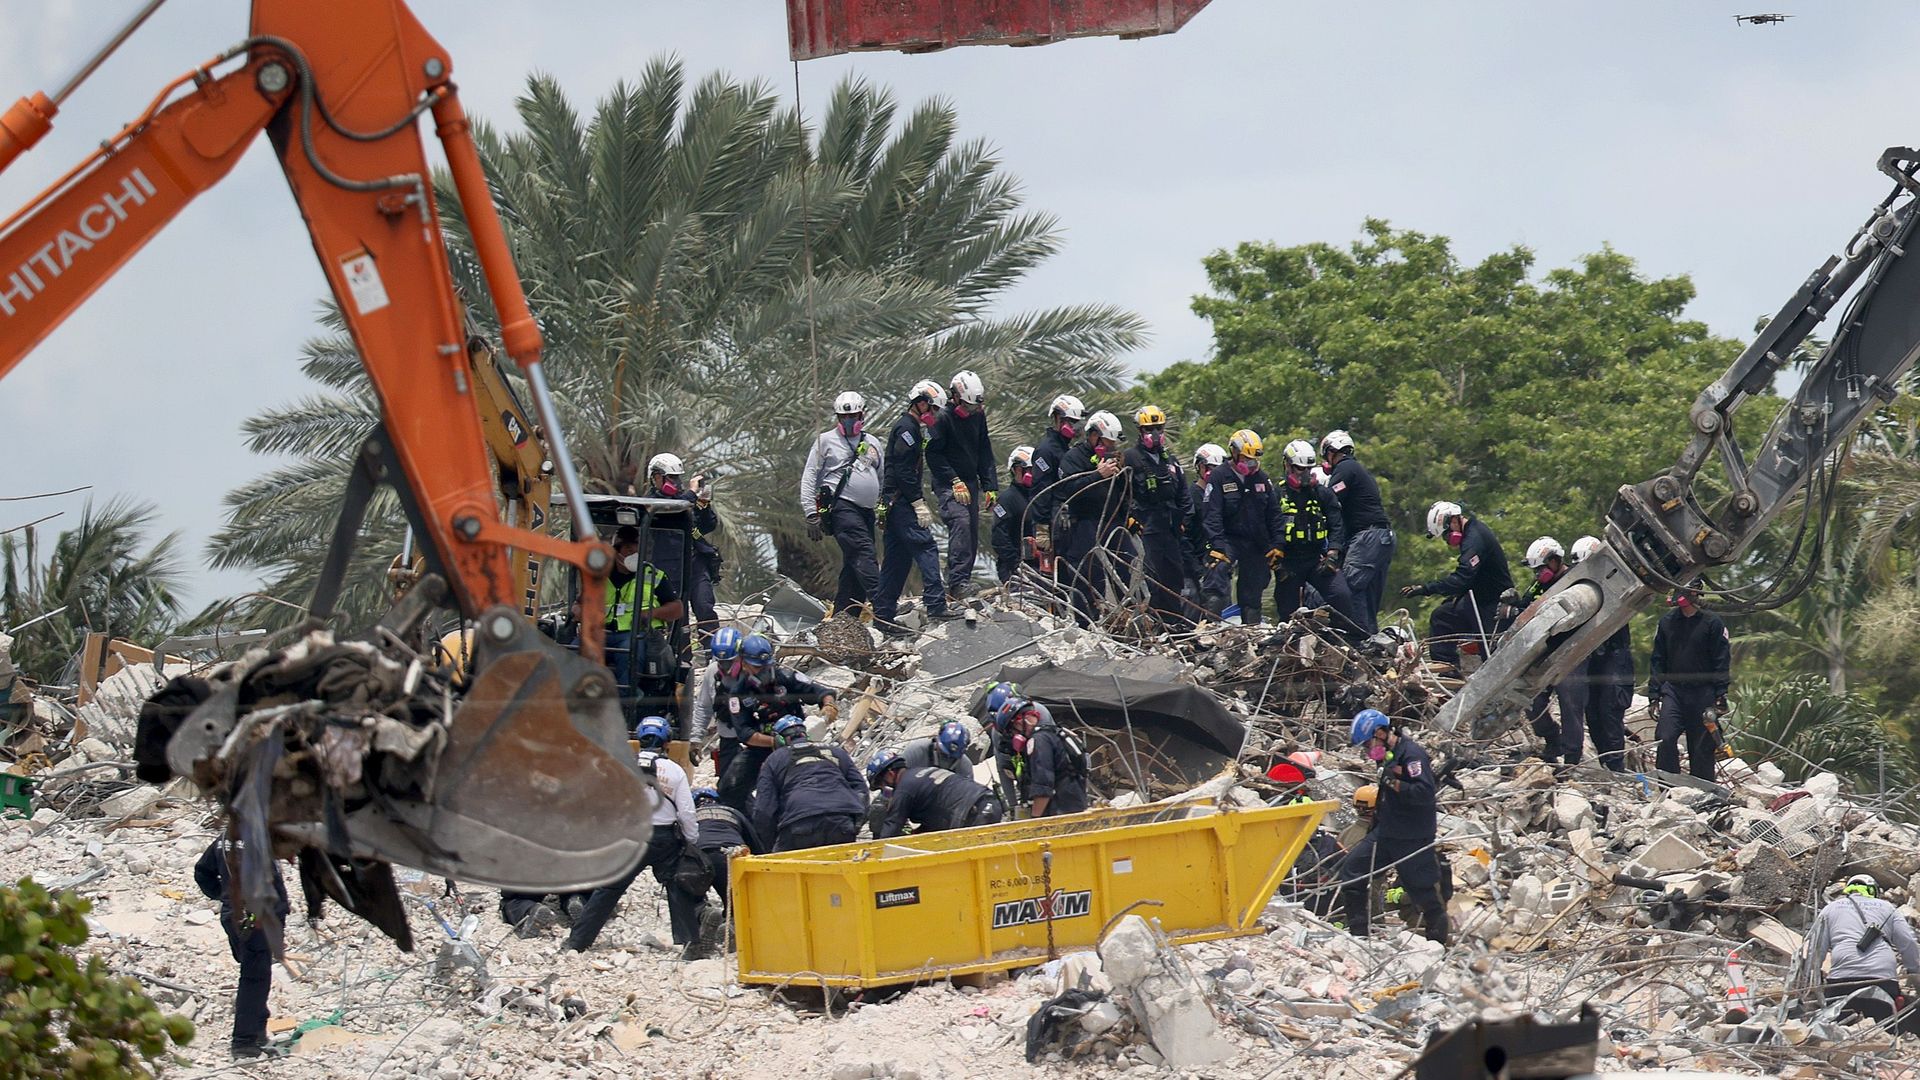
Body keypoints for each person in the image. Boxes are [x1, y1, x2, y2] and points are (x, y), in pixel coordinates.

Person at [565, 724, 701, 952]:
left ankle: (578, 942)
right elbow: (687, 812)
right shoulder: (675, 771)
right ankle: (689, 945)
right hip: (664, 839)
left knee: (608, 890)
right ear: (667, 743)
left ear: (638, 740)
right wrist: (691, 839)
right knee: (678, 886)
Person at [692, 632, 839, 810]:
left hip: (799, 742)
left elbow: (819, 691)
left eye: (765, 666)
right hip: (763, 747)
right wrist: (774, 742)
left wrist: (829, 705)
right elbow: (745, 733)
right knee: (729, 788)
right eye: (757, 668)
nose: (762, 671)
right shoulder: (738, 694)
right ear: (744, 663)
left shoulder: (784, 677)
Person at [1338, 709, 1448, 945]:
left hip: (1412, 836)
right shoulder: (1387, 755)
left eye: (1369, 743)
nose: (1368, 751)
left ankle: (1437, 943)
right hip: (1386, 832)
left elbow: (1424, 793)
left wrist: (1393, 781)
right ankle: (1359, 936)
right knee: (1352, 872)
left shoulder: (1412, 755)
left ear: (1381, 732)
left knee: (1421, 890)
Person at [194, 837, 289, 1059]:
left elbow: (202, 872)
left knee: (257, 973)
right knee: (254, 978)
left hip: (235, 916)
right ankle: (244, 1042)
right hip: (255, 918)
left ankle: (256, 1031)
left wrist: (224, 896)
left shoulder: (224, 840)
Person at [877, 379, 956, 628]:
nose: (934, 415)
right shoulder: (907, 429)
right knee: (926, 548)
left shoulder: (911, 428)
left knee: (896, 561)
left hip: (894, 503)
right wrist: (917, 503)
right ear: (921, 404)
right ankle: (936, 604)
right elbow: (902, 471)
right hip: (901, 503)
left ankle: (882, 616)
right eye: (932, 409)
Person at [800, 390, 887, 620]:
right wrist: (810, 513)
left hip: (866, 512)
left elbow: (881, 477)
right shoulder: (826, 441)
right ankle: (884, 604)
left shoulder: (872, 443)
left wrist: (882, 509)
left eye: (853, 417)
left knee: (853, 566)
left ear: (862, 415)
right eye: (843, 418)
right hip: (842, 509)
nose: (848, 422)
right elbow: (810, 476)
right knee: (864, 553)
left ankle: (845, 617)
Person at [1268, 438, 1363, 636]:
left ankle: (1347, 638)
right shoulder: (1276, 494)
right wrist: (1276, 562)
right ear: (1287, 465)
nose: (1304, 474)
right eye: (1299, 469)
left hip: (1317, 560)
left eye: (1308, 469)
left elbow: (1337, 524)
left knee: (1341, 595)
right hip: (1289, 562)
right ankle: (1287, 645)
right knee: (1287, 609)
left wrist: (1333, 552)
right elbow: (1267, 526)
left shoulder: (1323, 494)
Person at [1045, 411, 1132, 623]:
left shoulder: (1113, 459)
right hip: (1084, 524)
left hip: (1112, 523)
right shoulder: (1073, 458)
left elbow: (1125, 493)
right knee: (1089, 576)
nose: (1110, 448)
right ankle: (1087, 623)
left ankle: (1129, 617)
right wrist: (1097, 475)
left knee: (1125, 568)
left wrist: (1121, 475)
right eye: (1107, 443)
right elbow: (1068, 490)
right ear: (1094, 436)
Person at [1401, 501, 1511, 668]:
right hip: (1475, 601)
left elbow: (1461, 579)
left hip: (1493, 605)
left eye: (1446, 534)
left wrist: (1426, 589)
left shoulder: (1475, 538)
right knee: (1442, 617)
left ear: (1453, 521)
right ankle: (1447, 669)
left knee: (1491, 656)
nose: (1447, 540)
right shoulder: (1469, 535)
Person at [1805, 875, 1920, 1030]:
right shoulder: (1887, 908)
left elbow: (1815, 950)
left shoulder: (1830, 909)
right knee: (1886, 1028)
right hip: (1883, 981)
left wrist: (1812, 982)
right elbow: (1908, 942)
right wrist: (1914, 973)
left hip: (1842, 982)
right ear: (1873, 891)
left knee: (1840, 1029)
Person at [926, 369, 998, 605]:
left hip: (970, 482)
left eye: (974, 407)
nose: (970, 411)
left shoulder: (978, 417)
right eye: (967, 406)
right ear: (955, 397)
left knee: (972, 529)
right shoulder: (942, 419)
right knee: (960, 521)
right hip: (949, 484)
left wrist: (990, 486)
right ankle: (956, 581)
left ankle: (963, 580)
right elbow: (934, 456)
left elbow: (985, 450)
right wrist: (954, 480)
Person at [1201, 429, 1285, 624]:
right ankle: (1210, 627)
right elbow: (1211, 513)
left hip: (1255, 542)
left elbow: (1274, 515)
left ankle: (1251, 631)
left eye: (1254, 460)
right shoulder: (1219, 476)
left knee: (1253, 590)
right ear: (1234, 453)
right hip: (1228, 540)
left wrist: (1278, 545)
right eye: (1247, 459)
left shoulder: (1262, 479)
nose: (1251, 464)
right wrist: (1217, 545)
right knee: (1217, 573)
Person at [1648, 586, 1731, 781]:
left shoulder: (1712, 622)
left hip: (1703, 692)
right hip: (1673, 691)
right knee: (1665, 737)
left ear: (1694, 593)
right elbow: (1658, 659)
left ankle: (1702, 791)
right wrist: (1654, 694)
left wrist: (1720, 693)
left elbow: (1722, 659)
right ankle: (1668, 788)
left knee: (1701, 744)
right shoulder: (1667, 622)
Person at [1518, 537, 1588, 766]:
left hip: (1573, 651)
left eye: (1541, 569)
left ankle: (1571, 759)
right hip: (1546, 652)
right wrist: (1513, 605)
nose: (1538, 574)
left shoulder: (1576, 580)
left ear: (1555, 561)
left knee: (1570, 704)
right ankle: (1551, 738)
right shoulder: (1539, 585)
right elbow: (1527, 606)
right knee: (1532, 699)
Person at [752, 715, 870, 851]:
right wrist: (856, 822)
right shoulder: (836, 752)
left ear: (779, 739)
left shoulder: (774, 760)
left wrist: (768, 847)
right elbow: (861, 790)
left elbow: (763, 810)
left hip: (800, 824)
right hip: (842, 821)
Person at [1124, 406, 1196, 626]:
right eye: (1149, 429)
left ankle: (1174, 623)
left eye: (1158, 428)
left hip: (1170, 530)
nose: (1154, 434)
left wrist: (1184, 520)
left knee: (1174, 577)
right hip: (1146, 529)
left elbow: (1184, 493)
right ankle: (1151, 624)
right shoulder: (1130, 458)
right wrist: (1128, 518)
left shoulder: (1170, 460)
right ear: (1140, 431)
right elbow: (1120, 494)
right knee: (1151, 579)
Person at [600, 525, 686, 709]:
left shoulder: (653, 576)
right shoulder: (599, 575)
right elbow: (581, 602)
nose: (634, 553)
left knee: (629, 651)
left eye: (637, 549)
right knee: (574, 648)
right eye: (628, 549)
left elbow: (677, 609)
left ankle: (624, 705)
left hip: (635, 635)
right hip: (601, 633)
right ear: (616, 552)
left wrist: (650, 614)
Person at [1320, 430, 1394, 635]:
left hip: (1367, 538)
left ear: (1332, 452)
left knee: (1349, 587)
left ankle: (1360, 639)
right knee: (1369, 595)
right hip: (1383, 538)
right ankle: (1372, 639)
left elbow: (1329, 501)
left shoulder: (1345, 468)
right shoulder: (1358, 469)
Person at [645, 452, 721, 645]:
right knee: (680, 619)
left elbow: (707, 526)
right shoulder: (651, 503)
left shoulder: (686, 500)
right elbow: (670, 510)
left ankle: (713, 654)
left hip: (695, 564)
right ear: (656, 478)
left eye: (677, 477)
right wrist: (692, 496)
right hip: (668, 570)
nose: (676, 482)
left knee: (705, 608)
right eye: (671, 477)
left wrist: (703, 503)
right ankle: (682, 660)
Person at [1570, 535, 1632, 771]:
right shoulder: (1587, 589)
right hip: (1596, 659)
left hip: (1614, 660)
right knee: (1593, 713)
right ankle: (1607, 762)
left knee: (1609, 712)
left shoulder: (1615, 586)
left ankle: (1615, 765)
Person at [872, 757, 1006, 838]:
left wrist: (877, 854)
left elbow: (892, 827)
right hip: (989, 802)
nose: (883, 790)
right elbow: (937, 810)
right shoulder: (921, 773)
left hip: (974, 814)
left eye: (881, 785)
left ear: (890, 774)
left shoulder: (904, 789)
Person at [1002, 699, 1090, 817]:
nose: (1014, 735)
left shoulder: (1038, 741)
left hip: (1059, 812)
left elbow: (1043, 786)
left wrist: (1035, 819)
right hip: (1074, 805)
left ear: (1018, 722)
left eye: (1012, 730)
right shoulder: (1053, 733)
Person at [1029, 394, 1086, 556]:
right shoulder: (1046, 450)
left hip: (1068, 515)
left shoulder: (1067, 449)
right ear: (1058, 419)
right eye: (1072, 422)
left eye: (1077, 423)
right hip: (1054, 518)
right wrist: (1041, 528)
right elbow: (1041, 489)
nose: (1076, 427)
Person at [1185, 443, 1227, 609]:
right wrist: (1197, 568)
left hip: (1219, 567)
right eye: (1209, 468)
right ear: (1199, 467)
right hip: (1195, 568)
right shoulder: (1192, 495)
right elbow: (1184, 535)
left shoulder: (1222, 498)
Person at [992, 446, 1040, 582]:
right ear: (1017, 470)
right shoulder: (1007, 499)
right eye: (1030, 470)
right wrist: (1016, 564)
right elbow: (999, 537)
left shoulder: (1039, 496)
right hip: (1015, 569)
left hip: (1039, 566)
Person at [899, 720, 973, 774]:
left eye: (951, 758)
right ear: (937, 739)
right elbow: (898, 777)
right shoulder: (916, 751)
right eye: (943, 753)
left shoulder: (965, 767)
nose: (946, 759)